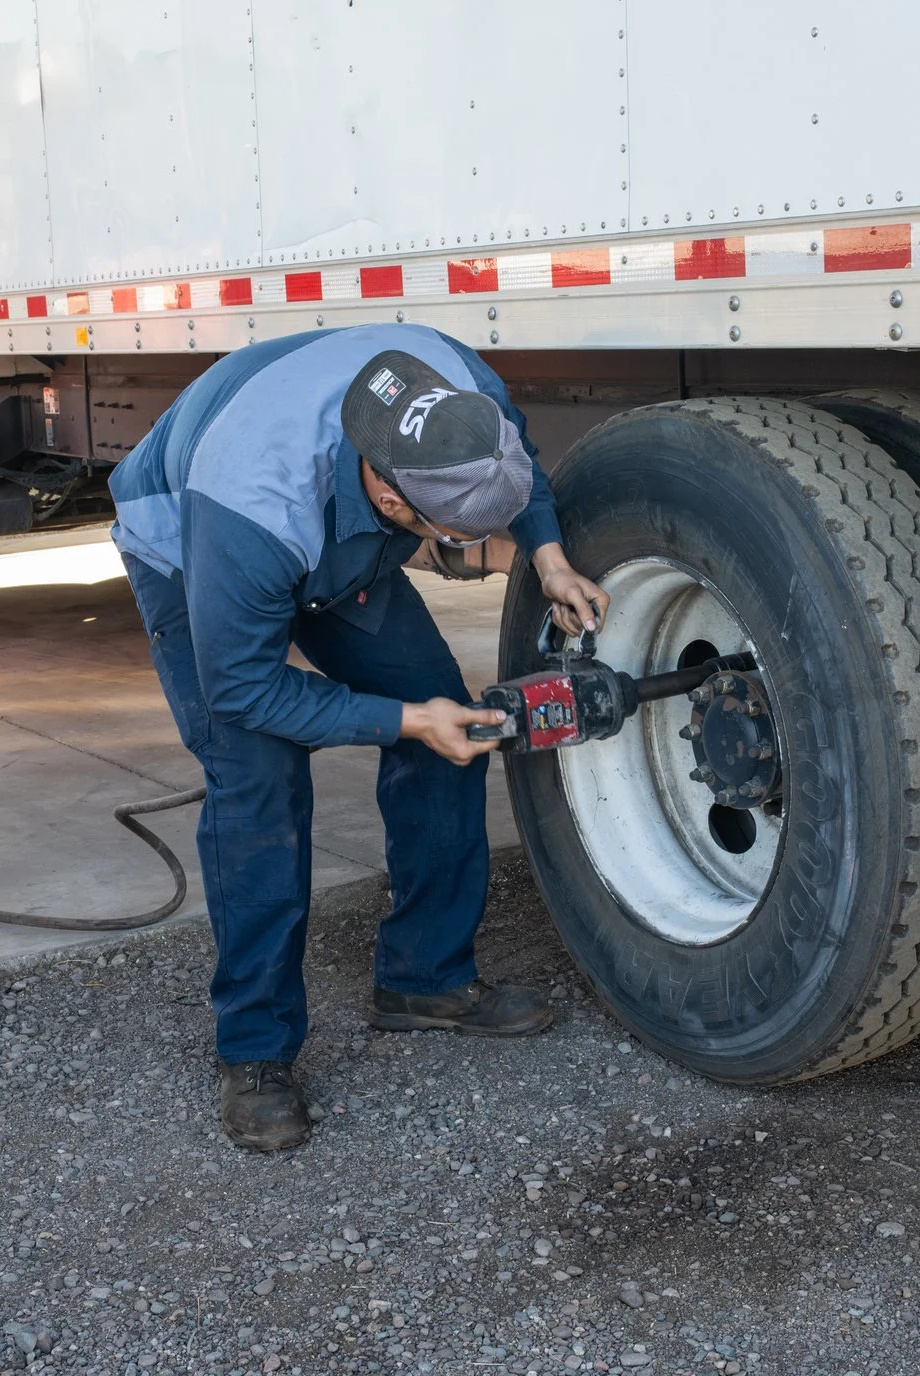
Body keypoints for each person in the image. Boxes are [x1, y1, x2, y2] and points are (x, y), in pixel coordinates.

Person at [106, 324, 610, 1151]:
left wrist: (548, 557)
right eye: (445, 533)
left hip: (331, 530)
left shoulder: (455, 380)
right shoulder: (252, 509)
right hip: (189, 545)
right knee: (258, 782)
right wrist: (405, 721)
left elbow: (510, 461)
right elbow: (245, 688)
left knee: (454, 720)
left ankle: (424, 980)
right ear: (392, 502)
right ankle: (255, 1051)